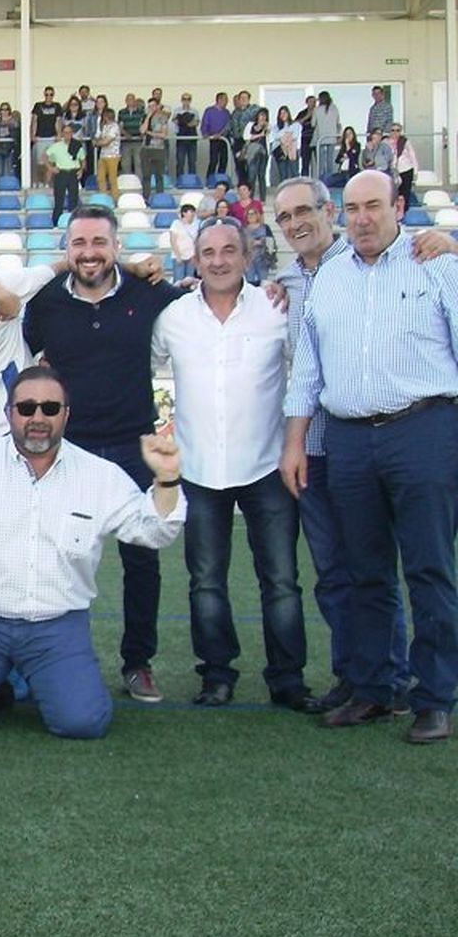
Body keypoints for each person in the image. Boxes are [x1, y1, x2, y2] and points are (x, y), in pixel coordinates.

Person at [0, 367, 186, 738]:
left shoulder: (99, 475)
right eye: (26, 408)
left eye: (49, 408)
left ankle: (36, 678)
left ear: (66, 415)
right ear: (9, 413)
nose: (38, 417)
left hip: (57, 626)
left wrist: (167, 478)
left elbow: (153, 531)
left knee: (83, 723)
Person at [281, 169, 458, 744]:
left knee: (429, 568)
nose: (362, 218)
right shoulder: (329, 280)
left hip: (424, 429)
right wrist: (295, 443)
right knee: (365, 572)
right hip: (349, 438)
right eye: (353, 208)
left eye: (373, 206)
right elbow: (307, 370)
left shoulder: (436, 263)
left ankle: (434, 696)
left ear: (398, 206)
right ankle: (375, 688)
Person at [150, 218, 314, 710]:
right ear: (194, 260)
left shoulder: (275, 308)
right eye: (208, 253)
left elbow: (305, 373)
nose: (218, 260)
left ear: (247, 256)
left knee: (282, 581)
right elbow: (140, 366)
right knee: (205, 583)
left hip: (267, 466)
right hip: (198, 471)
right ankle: (216, 675)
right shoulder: (173, 317)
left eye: (228, 251)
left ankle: (287, 680)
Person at [23, 205, 184, 702]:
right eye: (79, 244)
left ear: (116, 247)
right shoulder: (45, 303)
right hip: (71, 448)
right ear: (66, 250)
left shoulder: (150, 293)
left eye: (98, 243)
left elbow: (202, 311)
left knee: (142, 559)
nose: (89, 253)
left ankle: (138, 662)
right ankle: (50, 661)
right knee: (58, 556)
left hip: (135, 445)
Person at [46, 123, 83, 219]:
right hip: (61, 173)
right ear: (62, 134)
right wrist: (51, 168)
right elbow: (44, 156)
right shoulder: (56, 146)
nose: (67, 135)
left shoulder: (77, 145)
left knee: (73, 200)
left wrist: (81, 170)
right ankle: (56, 221)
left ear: (72, 134)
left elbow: (83, 160)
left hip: (73, 173)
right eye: (65, 133)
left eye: (69, 132)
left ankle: (73, 221)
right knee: (59, 199)